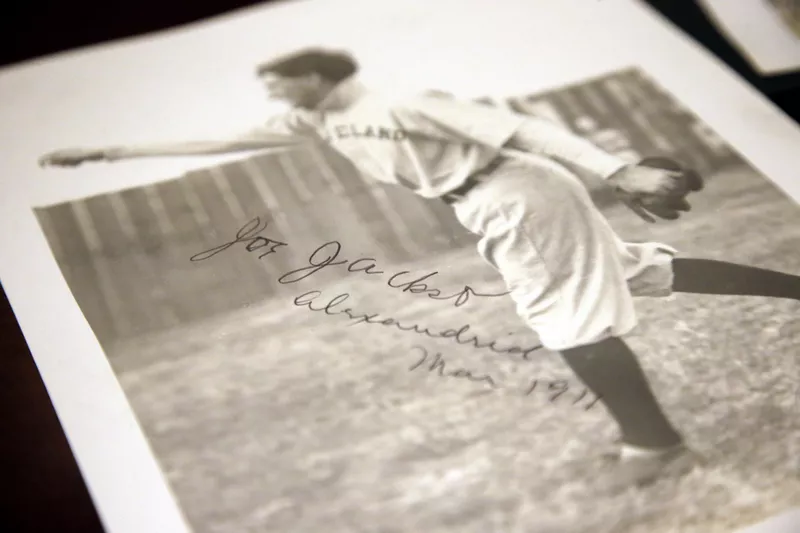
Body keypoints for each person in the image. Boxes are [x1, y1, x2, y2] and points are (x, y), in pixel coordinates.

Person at [39, 47, 800, 491]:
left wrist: (618, 166)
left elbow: (518, 126)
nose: (270, 92)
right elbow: (223, 143)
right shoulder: (315, 118)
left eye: (279, 81)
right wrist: (111, 152)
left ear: (316, 75)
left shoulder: (402, 98)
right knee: (637, 274)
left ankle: (653, 445)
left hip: (512, 188)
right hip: (495, 197)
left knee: (562, 318)